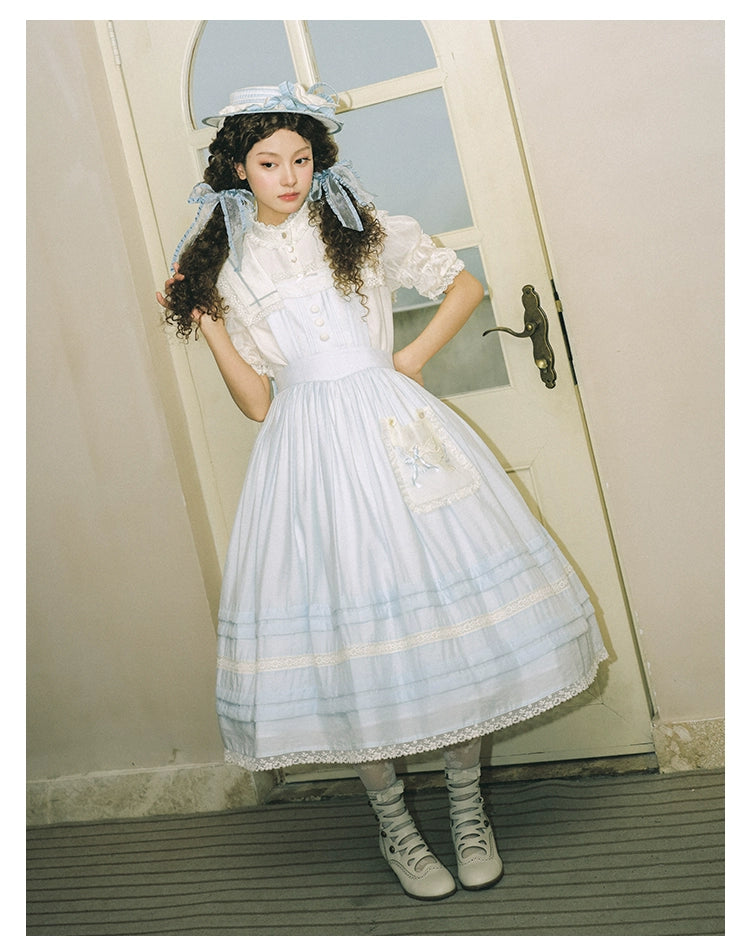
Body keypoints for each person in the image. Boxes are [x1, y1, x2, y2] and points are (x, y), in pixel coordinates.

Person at [158, 81, 607, 901]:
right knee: (346, 634)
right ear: (238, 167)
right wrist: (209, 320)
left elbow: (463, 286)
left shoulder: (360, 228)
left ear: (317, 159)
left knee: (444, 620)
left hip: (395, 432)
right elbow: (257, 403)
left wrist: (407, 360)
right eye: (269, 162)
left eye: (300, 159)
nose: (288, 177)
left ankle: (467, 810)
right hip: (306, 453)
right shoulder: (227, 263)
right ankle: (395, 824)